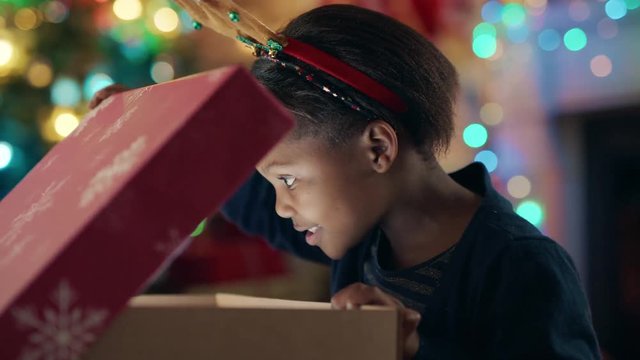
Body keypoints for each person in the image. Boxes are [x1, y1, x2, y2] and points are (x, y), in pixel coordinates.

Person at [91, 4, 600, 359]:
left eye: (288, 178)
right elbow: (245, 199)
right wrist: (152, 134)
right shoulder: (366, 236)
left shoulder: (522, 266)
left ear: (378, 148)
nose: (283, 206)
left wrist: (417, 348)